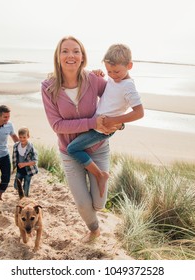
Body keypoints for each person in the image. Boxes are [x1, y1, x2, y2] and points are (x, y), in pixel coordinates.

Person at [41, 36, 119, 242]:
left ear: (82, 56)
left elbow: (116, 97)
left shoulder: (93, 80)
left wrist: (120, 121)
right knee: (84, 205)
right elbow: (57, 125)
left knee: (99, 204)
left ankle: (99, 181)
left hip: (97, 147)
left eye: (76, 51)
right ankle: (94, 230)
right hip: (69, 151)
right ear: (58, 56)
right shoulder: (48, 87)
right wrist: (93, 123)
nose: (70, 55)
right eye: (65, 51)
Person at [67, 44, 144, 197]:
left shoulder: (128, 86)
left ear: (129, 66)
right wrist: (97, 73)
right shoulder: (114, 79)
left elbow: (139, 113)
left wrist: (114, 120)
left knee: (72, 149)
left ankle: (100, 175)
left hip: (102, 130)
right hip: (96, 125)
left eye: (116, 71)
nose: (113, 75)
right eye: (109, 71)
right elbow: (108, 94)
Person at [12, 127, 38, 198]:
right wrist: (13, 167)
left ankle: (24, 199)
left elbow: (35, 161)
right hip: (19, 170)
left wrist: (24, 164)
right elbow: (14, 158)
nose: (22, 139)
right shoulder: (16, 146)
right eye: (20, 137)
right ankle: (21, 193)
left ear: (28, 136)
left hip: (28, 171)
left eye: (24, 137)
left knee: (26, 189)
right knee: (16, 185)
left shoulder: (31, 147)